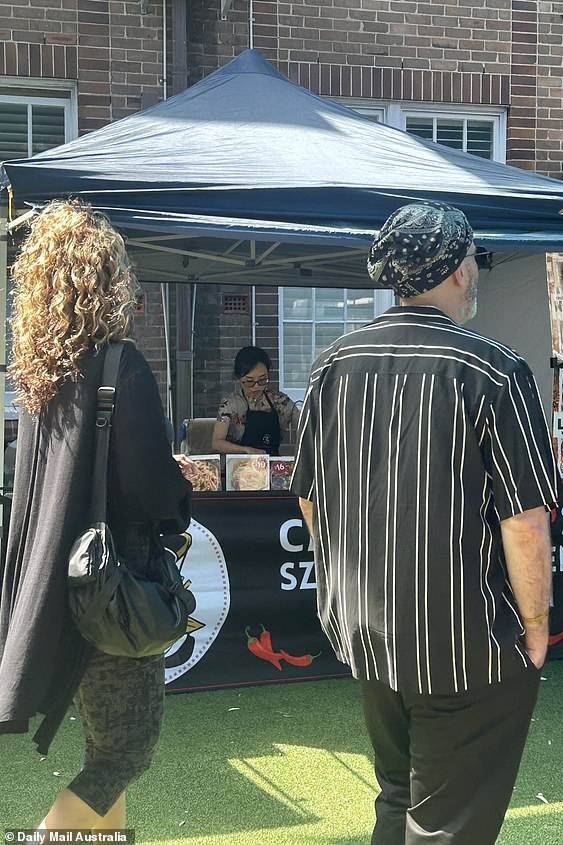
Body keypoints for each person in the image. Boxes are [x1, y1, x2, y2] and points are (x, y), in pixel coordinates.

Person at [291, 201, 560, 845]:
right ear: (460, 269)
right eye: (475, 260)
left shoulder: (335, 364)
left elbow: (308, 498)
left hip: (366, 628)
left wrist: (347, 586)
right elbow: (524, 522)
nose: (478, 272)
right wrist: (538, 628)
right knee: (448, 823)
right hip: (468, 641)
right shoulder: (493, 371)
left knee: (400, 793)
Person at [0, 200, 192, 832]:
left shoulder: (39, 373)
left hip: (53, 586)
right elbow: (149, 490)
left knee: (104, 745)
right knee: (126, 750)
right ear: (107, 281)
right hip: (114, 586)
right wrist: (178, 489)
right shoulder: (120, 363)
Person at [212, 345, 299, 455]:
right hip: (238, 465)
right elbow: (217, 443)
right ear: (239, 379)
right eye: (249, 381)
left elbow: (304, 424)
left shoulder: (280, 401)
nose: (256, 387)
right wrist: (246, 450)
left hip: (272, 465)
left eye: (262, 380)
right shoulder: (231, 405)